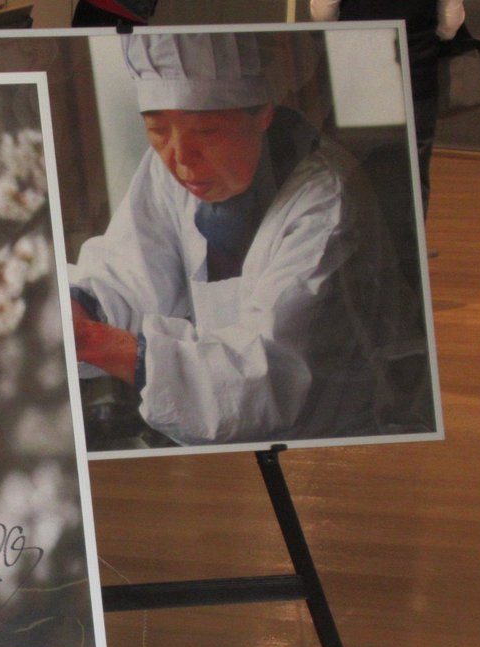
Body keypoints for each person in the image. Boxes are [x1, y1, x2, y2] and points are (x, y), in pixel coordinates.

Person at [71, 31, 432, 447]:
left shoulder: (327, 201)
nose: (181, 158)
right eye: (158, 130)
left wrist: (94, 340)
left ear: (262, 115)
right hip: (224, 429)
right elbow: (129, 272)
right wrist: (76, 309)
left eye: (206, 131)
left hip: (336, 435)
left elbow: (267, 373)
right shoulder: (166, 170)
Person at [310, 1, 465, 216]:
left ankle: (353, 232)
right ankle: (409, 235)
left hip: (357, 68)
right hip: (415, 71)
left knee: (347, 161)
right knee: (413, 167)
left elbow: (322, 14)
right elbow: (449, 24)